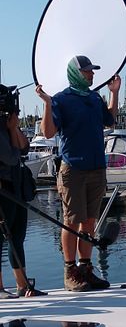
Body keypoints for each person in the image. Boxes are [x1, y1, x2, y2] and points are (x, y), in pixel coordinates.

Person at [35, 55, 121, 292]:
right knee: (71, 222)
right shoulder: (61, 99)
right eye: (87, 72)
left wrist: (114, 93)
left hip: (96, 168)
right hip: (73, 169)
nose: (92, 75)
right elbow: (49, 132)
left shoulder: (94, 97)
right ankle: (70, 271)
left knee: (89, 222)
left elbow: (110, 121)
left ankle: (85, 269)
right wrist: (47, 104)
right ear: (75, 73)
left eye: (92, 71)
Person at [0, 90, 47, 298]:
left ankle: (22, 284)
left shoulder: (8, 125)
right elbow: (10, 157)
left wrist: (14, 127)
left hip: (16, 187)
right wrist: (10, 130)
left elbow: (25, 148)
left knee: (17, 237)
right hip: (3, 190)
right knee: (1, 238)